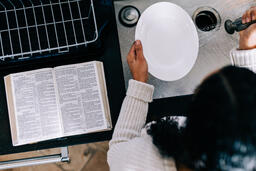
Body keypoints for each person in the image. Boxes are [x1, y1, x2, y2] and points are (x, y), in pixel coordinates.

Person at [108, 7, 256, 171]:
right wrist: (247, 48)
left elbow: (118, 146)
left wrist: (139, 85)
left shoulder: (136, 163)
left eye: (201, 88)